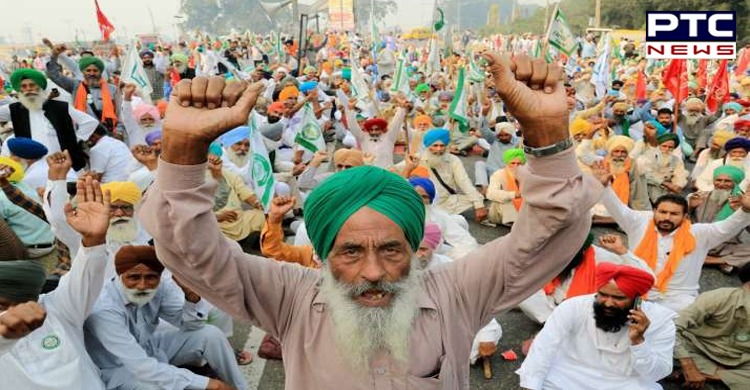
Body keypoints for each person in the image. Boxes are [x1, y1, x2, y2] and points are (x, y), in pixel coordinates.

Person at [138, 53, 602, 388]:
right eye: (351, 252)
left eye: (391, 249)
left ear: (416, 247)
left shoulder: (456, 293)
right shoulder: (291, 299)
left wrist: (545, 134)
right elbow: (190, 252)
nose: (374, 272)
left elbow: (547, 240)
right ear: (322, 252)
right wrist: (181, 150)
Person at [84, 245, 247, 390]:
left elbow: (193, 326)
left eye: (150, 277)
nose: (142, 285)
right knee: (153, 385)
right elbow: (140, 367)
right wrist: (207, 384)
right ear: (120, 275)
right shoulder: (105, 307)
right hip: (117, 369)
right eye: (134, 277)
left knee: (210, 334)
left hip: (149, 348)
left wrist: (191, 296)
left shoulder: (161, 287)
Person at [0, 176, 111, 389]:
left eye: (14, 303)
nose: (14, 313)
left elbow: (86, 276)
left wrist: (93, 241)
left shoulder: (56, 308)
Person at [596, 165, 750, 312]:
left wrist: (745, 210)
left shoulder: (698, 233)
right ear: (655, 211)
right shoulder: (640, 221)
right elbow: (618, 210)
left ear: (685, 216)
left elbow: (727, 228)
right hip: (637, 286)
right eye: (662, 212)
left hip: (677, 297)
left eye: (674, 214)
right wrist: (604, 187)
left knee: (684, 312)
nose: (667, 218)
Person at [517, 263, 676, 389]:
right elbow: (544, 348)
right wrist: (531, 385)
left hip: (624, 382)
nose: (608, 303)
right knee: (539, 381)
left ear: (637, 299)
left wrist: (639, 342)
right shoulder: (573, 307)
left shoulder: (660, 320)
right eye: (603, 295)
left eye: (618, 298)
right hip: (569, 376)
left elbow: (657, 373)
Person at [1, 69, 98, 171]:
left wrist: (75, 140)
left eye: (32, 85)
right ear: (20, 90)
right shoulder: (14, 109)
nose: (29, 89)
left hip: (63, 165)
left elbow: (90, 122)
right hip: (32, 168)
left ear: (40, 87)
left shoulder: (60, 107)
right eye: (24, 86)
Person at [673, 263, 750, 390]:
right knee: (666, 346)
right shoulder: (718, 297)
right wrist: (688, 365)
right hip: (699, 352)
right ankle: (720, 378)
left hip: (741, 363)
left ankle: (713, 377)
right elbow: (673, 328)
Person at [689, 165, 750, 273]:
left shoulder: (742, 203)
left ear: (736, 183)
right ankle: (725, 262)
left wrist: (742, 212)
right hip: (696, 241)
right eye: (718, 180)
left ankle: (711, 260)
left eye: (727, 181)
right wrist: (690, 207)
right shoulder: (698, 197)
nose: (721, 184)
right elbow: (679, 222)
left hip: (725, 246)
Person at [419, 128, 488, 221]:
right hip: (423, 203)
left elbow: (464, 182)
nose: (438, 149)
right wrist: (408, 168)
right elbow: (394, 173)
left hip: (447, 202)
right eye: (435, 145)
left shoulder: (453, 160)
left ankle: (438, 215)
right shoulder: (417, 159)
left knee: (478, 198)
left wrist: (479, 206)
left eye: (442, 146)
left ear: (446, 146)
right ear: (428, 146)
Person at [46, 54, 121, 133]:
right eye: (88, 70)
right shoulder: (75, 86)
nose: (92, 73)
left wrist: (119, 132)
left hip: (107, 135)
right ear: (83, 72)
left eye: (95, 71)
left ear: (100, 72)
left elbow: (120, 113)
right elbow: (54, 75)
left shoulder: (113, 89)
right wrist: (54, 56)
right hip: (83, 135)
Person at [638, 133, 689, 203]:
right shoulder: (648, 156)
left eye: (670, 147)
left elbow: (680, 175)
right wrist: (665, 183)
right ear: (658, 146)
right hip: (647, 187)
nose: (667, 149)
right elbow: (646, 175)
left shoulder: (676, 160)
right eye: (664, 146)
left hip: (667, 190)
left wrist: (677, 186)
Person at [486, 148, 525, 226]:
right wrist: (514, 195)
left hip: (522, 208)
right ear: (507, 163)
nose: (515, 166)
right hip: (499, 209)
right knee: (509, 201)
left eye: (519, 164)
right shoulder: (498, 174)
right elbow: (490, 194)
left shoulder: (527, 175)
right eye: (512, 163)